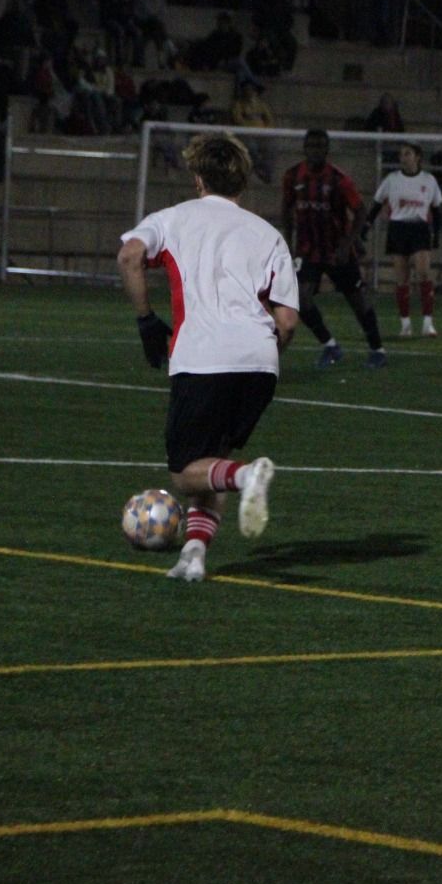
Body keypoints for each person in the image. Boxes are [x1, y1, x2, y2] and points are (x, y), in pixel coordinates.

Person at [116, 132, 299, 583]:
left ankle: (247, 477)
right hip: (260, 360)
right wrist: (264, 355)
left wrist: (146, 321)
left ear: (198, 179)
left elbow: (129, 256)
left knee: (184, 474)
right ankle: (193, 556)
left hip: (203, 358)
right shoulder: (267, 234)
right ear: (243, 182)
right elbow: (289, 320)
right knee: (211, 463)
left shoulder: (172, 220)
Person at [282, 130, 388, 369]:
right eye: (311, 145)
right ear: (304, 148)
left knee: (357, 300)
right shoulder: (292, 176)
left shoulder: (339, 179)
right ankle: (330, 346)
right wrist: (289, 244)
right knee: (300, 297)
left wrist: (348, 243)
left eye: (320, 146)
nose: (315, 150)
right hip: (308, 250)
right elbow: (286, 210)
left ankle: (377, 349)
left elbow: (360, 211)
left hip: (336, 251)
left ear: (327, 150)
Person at [366, 142, 442, 337]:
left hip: (419, 229)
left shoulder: (429, 180)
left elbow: (436, 209)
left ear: (417, 157)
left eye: (407, 153)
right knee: (402, 279)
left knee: (424, 273)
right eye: (401, 154)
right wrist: (366, 226)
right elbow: (376, 204)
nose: (403, 157)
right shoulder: (392, 180)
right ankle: (405, 324)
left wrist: (437, 234)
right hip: (398, 229)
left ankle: (427, 323)